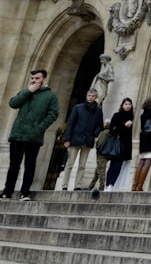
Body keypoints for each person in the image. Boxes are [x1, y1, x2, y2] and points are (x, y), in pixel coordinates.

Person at [2, 69, 59, 200]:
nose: (34, 80)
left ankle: (25, 192)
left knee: (30, 165)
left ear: (44, 79)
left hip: (33, 136)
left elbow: (53, 113)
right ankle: (7, 191)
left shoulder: (51, 96)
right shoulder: (25, 92)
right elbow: (13, 103)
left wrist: (39, 128)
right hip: (18, 134)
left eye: (37, 78)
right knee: (14, 165)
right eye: (32, 78)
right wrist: (28, 91)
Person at [63, 88, 104, 191]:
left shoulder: (98, 110)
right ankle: (64, 185)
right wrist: (67, 139)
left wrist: (94, 134)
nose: (90, 98)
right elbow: (70, 123)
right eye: (89, 95)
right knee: (70, 163)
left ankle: (78, 185)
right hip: (75, 139)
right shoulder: (78, 107)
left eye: (93, 96)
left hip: (88, 140)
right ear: (86, 96)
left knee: (82, 165)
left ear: (96, 97)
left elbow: (100, 125)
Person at [105, 97, 134, 191]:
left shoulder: (131, 117)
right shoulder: (117, 115)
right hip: (116, 144)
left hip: (124, 146)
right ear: (122, 105)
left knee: (118, 166)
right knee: (113, 165)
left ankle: (112, 185)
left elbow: (129, 136)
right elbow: (112, 130)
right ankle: (108, 183)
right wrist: (124, 126)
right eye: (126, 104)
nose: (128, 106)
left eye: (129, 104)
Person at [87, 120, 112, 198]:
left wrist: (98, 149)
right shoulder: (109, 132)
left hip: (101, 154)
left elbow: (99, 143)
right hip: (106, 154)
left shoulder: (104, 132)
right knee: (97, 171)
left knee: (101, 171)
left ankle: (101, 187)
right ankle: (91, 186)